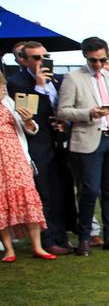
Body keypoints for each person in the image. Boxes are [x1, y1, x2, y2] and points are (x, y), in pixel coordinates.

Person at [56, 36, 109, 255]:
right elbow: (63, 111)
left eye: (102, 59)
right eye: (93, 61)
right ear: (85, 57)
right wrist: (88, 113)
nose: (98, 64)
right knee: (89, 190)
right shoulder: (73, 78)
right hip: (87, 140)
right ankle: (85, 238)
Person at [5, 41, 75, 254]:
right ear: (24, 60)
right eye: (36, 58)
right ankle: (47, 240)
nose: (42, 61)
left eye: (45, 56)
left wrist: (64, 122)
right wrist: (39, 86)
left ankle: (63, 236)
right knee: (44, 193)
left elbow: (63, 108)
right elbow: (28, 116)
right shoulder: (17, 82)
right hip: (38, 145)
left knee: (62, 191)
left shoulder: (58, 79)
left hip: (59, 142)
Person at [0, 74, 56, 261]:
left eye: (3, 86)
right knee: (2, 203)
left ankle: (37, 246)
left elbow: (31, 128)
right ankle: (9, 249)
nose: (3, 90)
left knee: (28, 197)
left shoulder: (10, 103)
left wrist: (29, 120)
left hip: (16, 158)